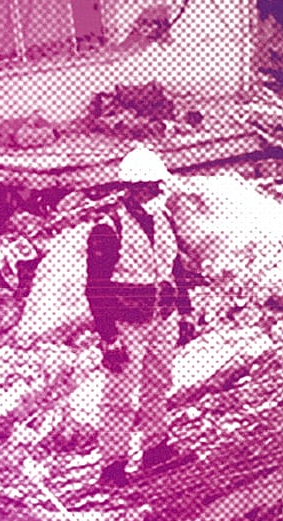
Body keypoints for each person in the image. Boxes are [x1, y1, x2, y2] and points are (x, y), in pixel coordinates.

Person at [85, 146, 200, 489]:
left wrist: (186, 311)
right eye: (152, 188)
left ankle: (155, 449)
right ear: (133, 189)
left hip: (161, 316)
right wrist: (108, 337)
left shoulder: (163, 219)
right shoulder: (108, 229)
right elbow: (95, 288)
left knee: (158, 384)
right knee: (119, 395)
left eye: (158, 187)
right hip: (127, 324)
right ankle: (113, 467)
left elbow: (175, 266)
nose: (159, 193)